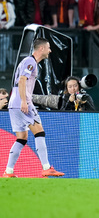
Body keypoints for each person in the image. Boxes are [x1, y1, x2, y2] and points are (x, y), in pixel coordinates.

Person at [3, 37, 64, 178]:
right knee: (39, 132)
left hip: (13, 104)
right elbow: (22, 80)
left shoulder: (27, 62)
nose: (50, 50)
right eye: (48, 47)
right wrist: (24, 101)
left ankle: (8, 171)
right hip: (22, 102)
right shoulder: (30, 61)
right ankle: (47, 168)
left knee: (22, 138)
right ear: (41, 48)